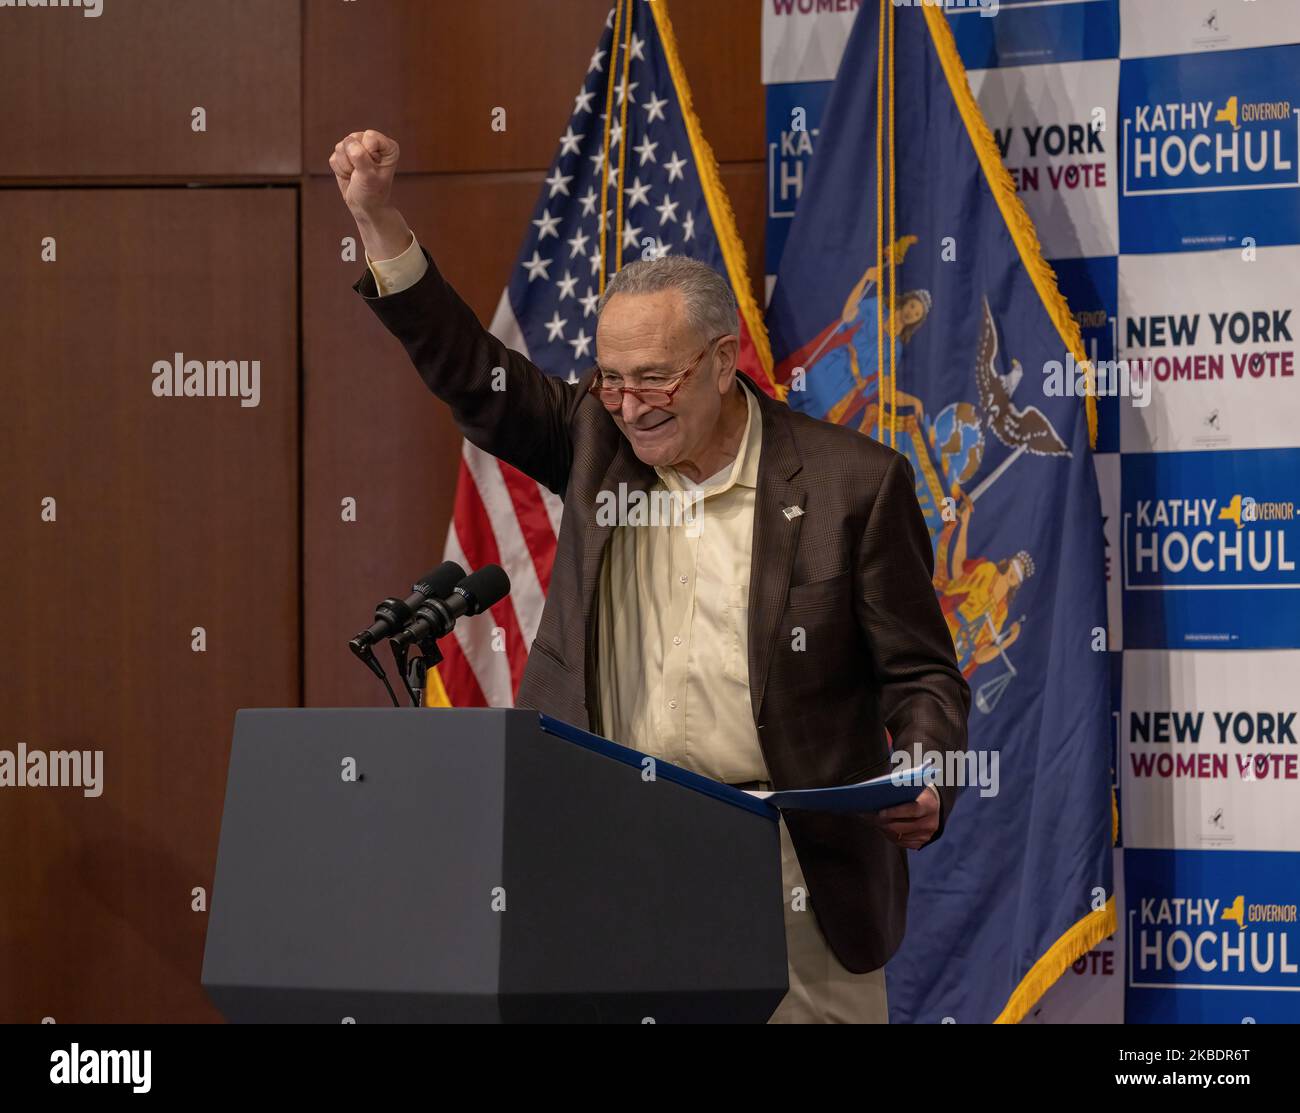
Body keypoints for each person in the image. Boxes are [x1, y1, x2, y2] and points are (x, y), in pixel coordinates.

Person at [331, 129, 970, 1023]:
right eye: (613, 378)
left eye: (655, 378)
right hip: (613, 855)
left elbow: (922, 673)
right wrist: (380, 222)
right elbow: (473, 375)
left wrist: (928, 767)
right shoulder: (598, 440)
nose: (630, 405)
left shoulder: (850, 484)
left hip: (788, 865)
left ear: (722, 359)